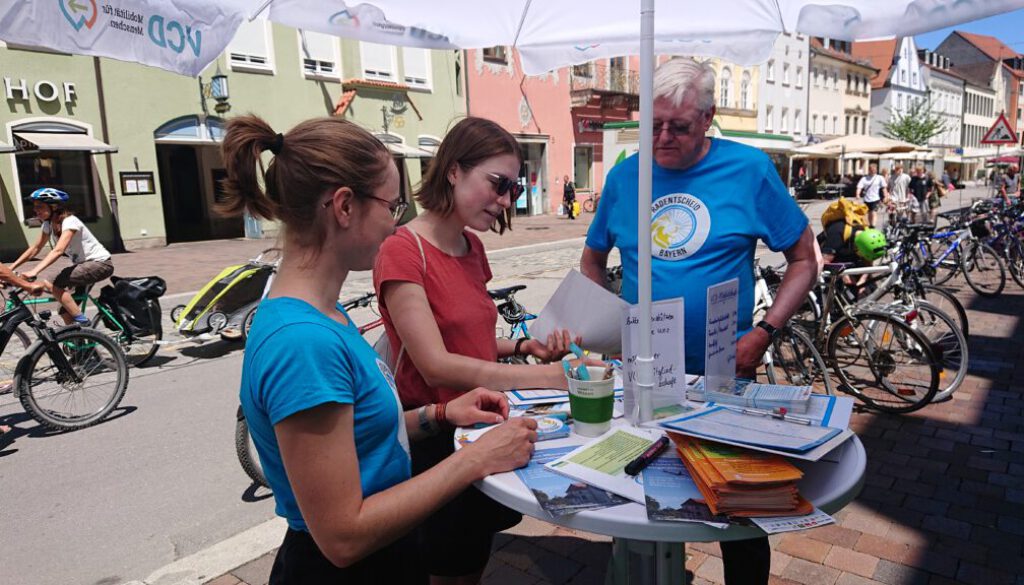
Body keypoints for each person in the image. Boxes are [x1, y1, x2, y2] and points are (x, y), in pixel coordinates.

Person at [225, 115, 538, 584]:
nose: (396, 224)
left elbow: (356, 434)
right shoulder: (303, 341)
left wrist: (440, 415)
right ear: (345, 207)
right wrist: (477, 458)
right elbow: (343, 536)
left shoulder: (325, 317)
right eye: (392, 207)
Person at [578, 57, 820, 585]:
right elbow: (592, 260)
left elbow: (805, 260)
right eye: (653, 124)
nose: (662, 138)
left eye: (679, 126)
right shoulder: (626, 177)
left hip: (725, 376)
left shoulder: (749, 170)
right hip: (644, 374)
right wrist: (605, 326)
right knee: (642, 498)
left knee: (741, 508)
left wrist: (766, 331)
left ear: (708, 118)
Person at [373, 117, 593, 585]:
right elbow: (434, 361)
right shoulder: (403, 250)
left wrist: (522, 345)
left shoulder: (471, 246)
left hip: (480, 422)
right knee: (449, 566)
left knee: (471, 557)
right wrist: (551, 378)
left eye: (513, 188)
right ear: (453, 170)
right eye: (497, 184)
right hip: (435, 433)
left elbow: (466, 335)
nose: (506, 200)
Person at [9, 188, 114, 325]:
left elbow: (58, 251)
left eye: (40, 206)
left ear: (54, 206)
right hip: (83, 265)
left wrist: (34, 271)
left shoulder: (70, 221)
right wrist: (10, 268)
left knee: (51, 282)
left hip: (99, 264)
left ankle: (84, 323)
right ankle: (79, 342)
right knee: (65, 311)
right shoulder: (48, 224)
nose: (36, 210)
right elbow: (35, 249)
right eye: (35, 207)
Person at [854, 163, 888, 228]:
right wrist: (857, 194)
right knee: (869, 213)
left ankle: (873, 225)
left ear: (876, 170)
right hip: (867, 199)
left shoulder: (879, 178)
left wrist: (885, 196)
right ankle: (870, 225)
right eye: (871, 169)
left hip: (875, 198)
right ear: (869, 170)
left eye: (874, 169)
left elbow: (884, 188)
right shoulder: (864, 178)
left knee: (873, 212)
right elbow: (859, 187)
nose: (873, 171)